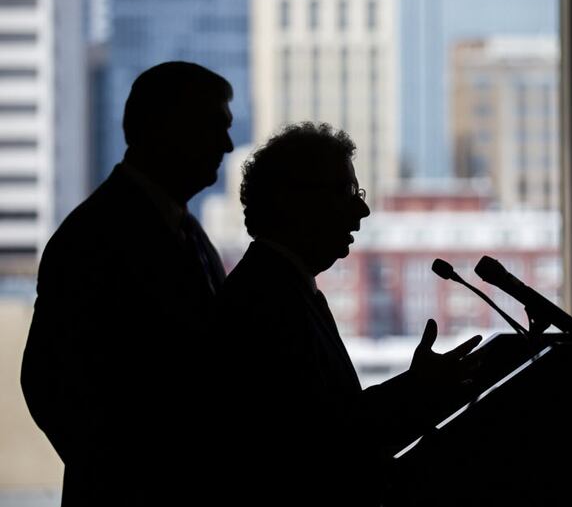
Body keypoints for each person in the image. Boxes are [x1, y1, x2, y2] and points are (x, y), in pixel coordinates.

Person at [216, 122, 481, 505]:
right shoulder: (265, 300)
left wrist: (416, 389)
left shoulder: (281, 285)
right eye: (346, 191)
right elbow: (319, 442)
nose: (362, 208)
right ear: (296, 202)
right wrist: (417, 392)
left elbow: (333, 420)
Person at [20, 61, 234, 506]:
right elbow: (47, 383)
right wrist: (131, 476)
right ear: (167, 127)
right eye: (214, 126)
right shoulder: (93, 237)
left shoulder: (190, 234)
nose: (227, 145)